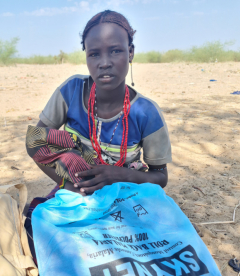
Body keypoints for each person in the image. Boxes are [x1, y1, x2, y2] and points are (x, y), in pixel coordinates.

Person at [29, 10, 172, 196]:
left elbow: (160, 176)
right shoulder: (71, 92)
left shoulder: (147, 112)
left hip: (127, 191)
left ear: (130, 53)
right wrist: (70, 187)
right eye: (94, 54)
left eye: (115, 51)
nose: (104, 63)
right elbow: (35, 141)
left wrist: (119, 175)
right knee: (40, 221)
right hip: (79, 189)